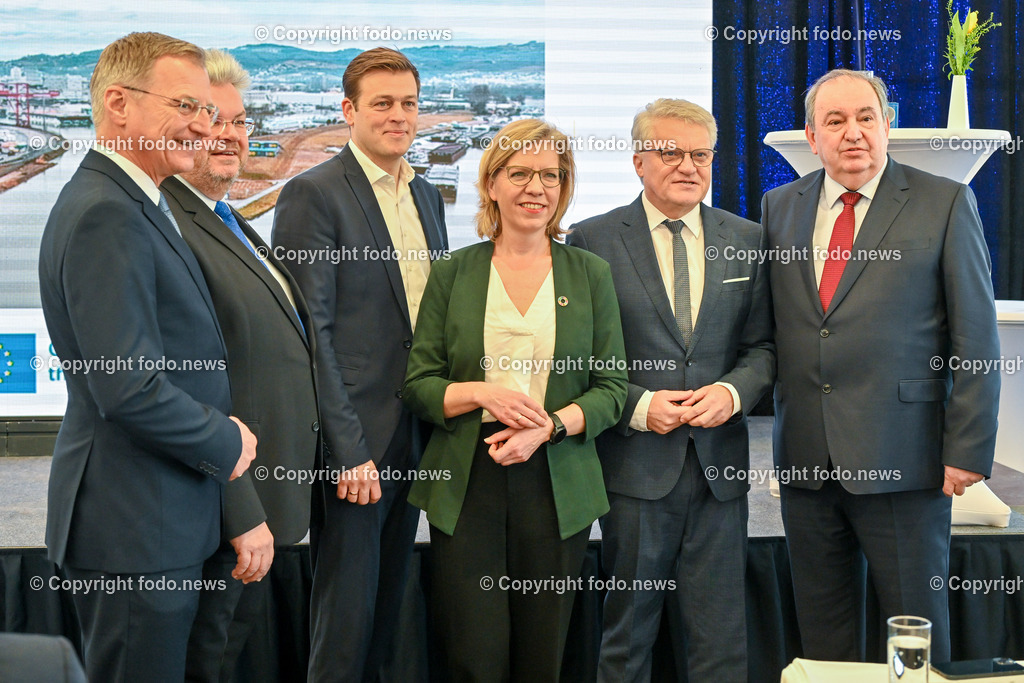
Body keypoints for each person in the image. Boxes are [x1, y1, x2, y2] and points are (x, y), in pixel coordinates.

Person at [37, 33, 256, 682]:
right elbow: (126, 387)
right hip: (133, 528)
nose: (202, 124)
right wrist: (226, 439)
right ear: (118, 103)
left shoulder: (137, 200)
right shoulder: (109, 211)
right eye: (185, 104)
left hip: (158, 520)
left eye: (208, 110)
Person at [762, 68, 1000, 663]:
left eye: (866, 118)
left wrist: (967, 449)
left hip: (909, 462)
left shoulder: (943, 202)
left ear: (887, 126)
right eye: (835, 121)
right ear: (812, 137)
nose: (853, 133)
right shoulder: (779, 207)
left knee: (916, 638)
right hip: (807, 467)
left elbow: (976, 336)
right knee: (824, 639)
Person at [404, 118, 628, 681]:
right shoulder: (454, 271)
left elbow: (612, 390)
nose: (536, 187)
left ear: (564, 186)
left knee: (541, 653)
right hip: (467, 479)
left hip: (556, 478)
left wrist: (547, 426)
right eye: (520, 173)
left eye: (550, 175)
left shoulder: (591, 272)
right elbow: (419, 385)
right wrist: (480, 393)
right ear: (492, 184)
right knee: (471, 654)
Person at [567, 99, 775, 682]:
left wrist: (732, 394)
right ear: (638, 161)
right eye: (670, 153)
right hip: (635, 467)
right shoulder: (592, 239)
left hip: (720, 472)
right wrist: (637, 405)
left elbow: (764, 348)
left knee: (721, 639)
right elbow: (577, 357)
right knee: (627, 635)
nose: (688, 166)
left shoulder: (749, 239)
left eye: (700, 155)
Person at [271, 47, 448, 682]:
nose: (398, 116)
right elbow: (308, 331)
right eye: (382, 104)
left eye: (408, 104)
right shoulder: (311, 194)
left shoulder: (426, 194)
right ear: (348, 110)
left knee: (387, 606)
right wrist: (347, 449)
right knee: (344, 619)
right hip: (355, 444)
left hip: (418, 432)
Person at [159, 49, 320, 682]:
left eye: (239, 120)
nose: (227, 134)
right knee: (208, 662)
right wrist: (240, 509)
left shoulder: (227, 221)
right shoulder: (172, 227)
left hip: (261, 505)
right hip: (224, 513)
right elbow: (185, 387)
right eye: (209, 118)